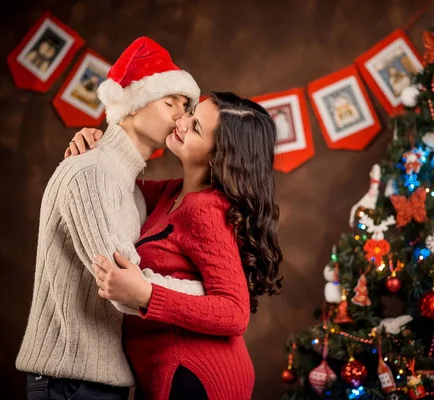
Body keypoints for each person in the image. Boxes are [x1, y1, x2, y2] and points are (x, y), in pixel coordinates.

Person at [16, 36, 205, 400]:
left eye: (186, 108)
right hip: (70, 382)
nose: (182, 118)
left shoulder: (128, 185)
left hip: (100, 381)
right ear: (132, 105)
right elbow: (123, 287)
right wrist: (207, 296)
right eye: (172, 103)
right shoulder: (92, 172)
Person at [67, 91, 284, 400]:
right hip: (164, 373)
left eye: (195, 127)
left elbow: (235, 312)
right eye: (190, 114)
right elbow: (110, 182)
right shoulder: (172, 193)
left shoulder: (205, 210)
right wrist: (96, 146)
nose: (180, 122)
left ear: (219, 157)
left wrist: (144, 294)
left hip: (197, 378)